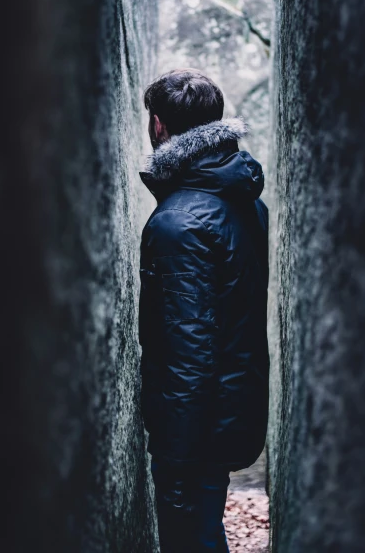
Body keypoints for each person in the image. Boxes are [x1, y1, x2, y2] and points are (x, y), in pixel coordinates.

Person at [139, 68, 269, 553]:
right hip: (229, 406)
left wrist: (175, 453)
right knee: (205, 526)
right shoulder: (244, 201)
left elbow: (187, 349)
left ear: (158, 126)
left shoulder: (177, 222)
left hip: (193, 426)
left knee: (190, 538)